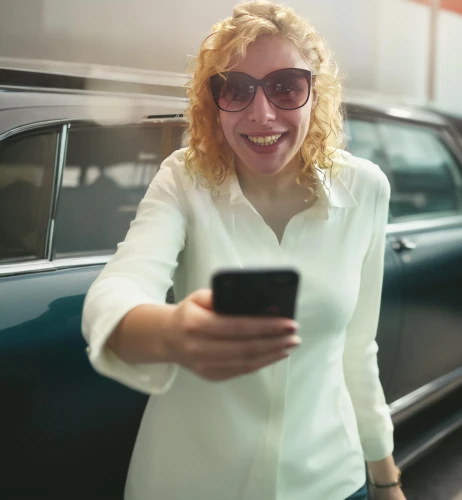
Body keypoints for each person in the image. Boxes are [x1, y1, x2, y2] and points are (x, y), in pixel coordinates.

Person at [82, 2, 406, 499]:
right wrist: (171, 332)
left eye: (285, 86)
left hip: (328, 483)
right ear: (213, 103)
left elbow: (358, 351)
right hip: (191, 483)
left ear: (313, 93)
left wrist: (385, 479)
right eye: (236, 89)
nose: (262, 113)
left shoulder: (365, 189)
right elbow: (121, 285)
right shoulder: (183, 179)